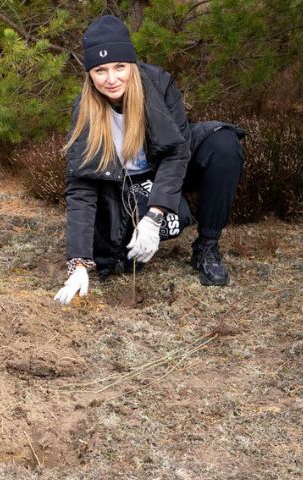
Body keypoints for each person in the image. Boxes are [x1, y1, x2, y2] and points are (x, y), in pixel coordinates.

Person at [54, 15, 245, 305]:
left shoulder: (159, 83)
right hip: (124, 184)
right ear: (90, 74)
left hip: (165, 166)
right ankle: (152, 220)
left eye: (119, 66)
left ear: (131, 64)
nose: (111, 79)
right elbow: (82, 187)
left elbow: (177, 151)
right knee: (125, 253)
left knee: (223, 145)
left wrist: (154, 217)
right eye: (100, 70)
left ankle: (206, 247)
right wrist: (79, 264)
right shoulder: (85, 109)